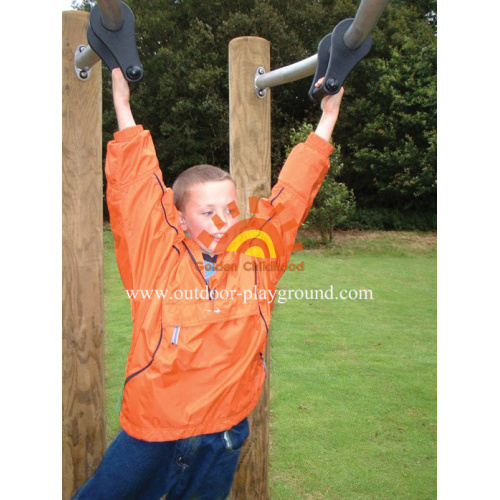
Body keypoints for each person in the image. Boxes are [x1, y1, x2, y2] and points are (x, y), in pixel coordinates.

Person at [73, 67, 344, 500]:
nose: (223, 221)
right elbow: (137, 189)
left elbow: (292, 195)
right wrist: (122, 105)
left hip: (224, 430)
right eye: (207, 212)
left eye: (231, 209)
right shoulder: (156, 258)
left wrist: (326, 119)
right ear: (179, 217)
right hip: (153, 432)